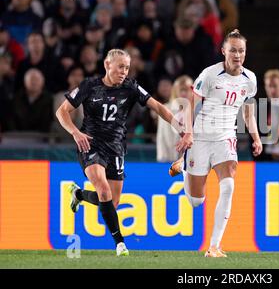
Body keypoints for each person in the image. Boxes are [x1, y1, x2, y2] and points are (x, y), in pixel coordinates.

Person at [55, 49, 193, 256]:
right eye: (120, 67)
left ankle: (79, 194)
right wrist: (75, 133)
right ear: (107, 65)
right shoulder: (89, 86)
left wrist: (181, 129)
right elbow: (62, 111)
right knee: (103, 190)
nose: (123, 71)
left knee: (113, 201)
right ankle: (120, 244)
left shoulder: (130, 87)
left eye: (126, 68)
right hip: (90, 144)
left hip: (116, 148)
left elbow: (157, 107)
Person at [168, 30, 262, 257]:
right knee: (196, 201)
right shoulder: (210, 75)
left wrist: (256, 137)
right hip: (200, 138)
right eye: (233, 50)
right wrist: (188, 134)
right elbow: (190, 105)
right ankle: (183, 167)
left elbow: (248, 112)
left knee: (228, 186)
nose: (237, 55)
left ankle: (214, 246)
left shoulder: (250, 80)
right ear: (224, 51)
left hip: (225, 138)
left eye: (241, 51)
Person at [157, 75, 193, 162]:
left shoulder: (198, 110)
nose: (184, 93)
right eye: (181, 90)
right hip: (169, 160)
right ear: (175, 91)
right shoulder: (166, 109)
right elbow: (162, 138)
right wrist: (162, 160)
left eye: (186, 90)